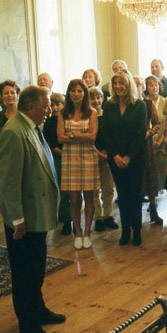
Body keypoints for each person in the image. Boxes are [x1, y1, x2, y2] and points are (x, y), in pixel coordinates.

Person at [0, 85, 65, 333]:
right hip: (23, 220)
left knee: (37, 268)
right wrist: (17, 219)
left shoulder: (32, 127)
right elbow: (9, 182)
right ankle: (29, 328)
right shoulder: (13, 133)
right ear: (31, 108)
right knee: (25, 274)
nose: (50, 109)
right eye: (46, 105)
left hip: (37, 214)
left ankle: (39, 310)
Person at [102, 71, 147, 246]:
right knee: (122, 195)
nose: (118, 86)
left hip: (135, 157)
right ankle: (125, 230)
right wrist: (115, 156)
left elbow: (140, 133)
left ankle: (136, 230)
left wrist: (128, 156)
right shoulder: (108, 106)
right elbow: (105, 133)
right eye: (115, 84)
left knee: (135, 195)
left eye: (122, 83)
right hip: (115, 158)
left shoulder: (139, 105)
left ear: (129, 85)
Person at [57, 79, 99, 250]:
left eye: (80, 91)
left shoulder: (92, 113)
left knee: (89, 196)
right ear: (68, 93)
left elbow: (92, 137)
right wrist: (81, 134)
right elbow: (60, 138)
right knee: (73, 199)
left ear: (85, 93)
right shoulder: (62, 113)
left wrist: (72, 135)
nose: (76, 94)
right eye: (73, 91)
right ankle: (78, 231)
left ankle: (88, 232)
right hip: (70, 158)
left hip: (88, 157)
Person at [89, 87, 119, 232]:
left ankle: (108, 215)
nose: (96, 101)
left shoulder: (107, 115)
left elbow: (112, 135)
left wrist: (108, 154)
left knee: (108, 186)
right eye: (92, 98)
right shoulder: (87, 117)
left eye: (98, 98)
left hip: (108, 154)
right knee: (95, 188)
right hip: (92, 153)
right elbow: (88, 139)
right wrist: (98, 154)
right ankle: (98, 217)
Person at [134, 76, 163, 225]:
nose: (136, 87)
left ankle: (153, 209)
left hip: (146, 144)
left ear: (142, 87)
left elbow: (158, 123)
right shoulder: (127, 104)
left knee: (150, 176)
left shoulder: (148, 104)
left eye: (138, 85)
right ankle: (136, 215)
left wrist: (148, 133)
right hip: (131, 145)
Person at [42, 93, 72, 236]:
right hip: (59, 158)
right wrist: (64, 154)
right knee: (63, 190)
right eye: (52, 105)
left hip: (74, 156)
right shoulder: (49, 123)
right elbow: (52, 145)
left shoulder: (70, 119)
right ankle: (66, 220)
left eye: (58, 104)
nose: (55, 108)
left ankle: (75, 216)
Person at [0, 80, 20, 158]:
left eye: (12, 92)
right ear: (2, 96)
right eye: (6, 93)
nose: (9, 95)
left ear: (17, 96)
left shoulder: (24, 115)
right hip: (4, 158)